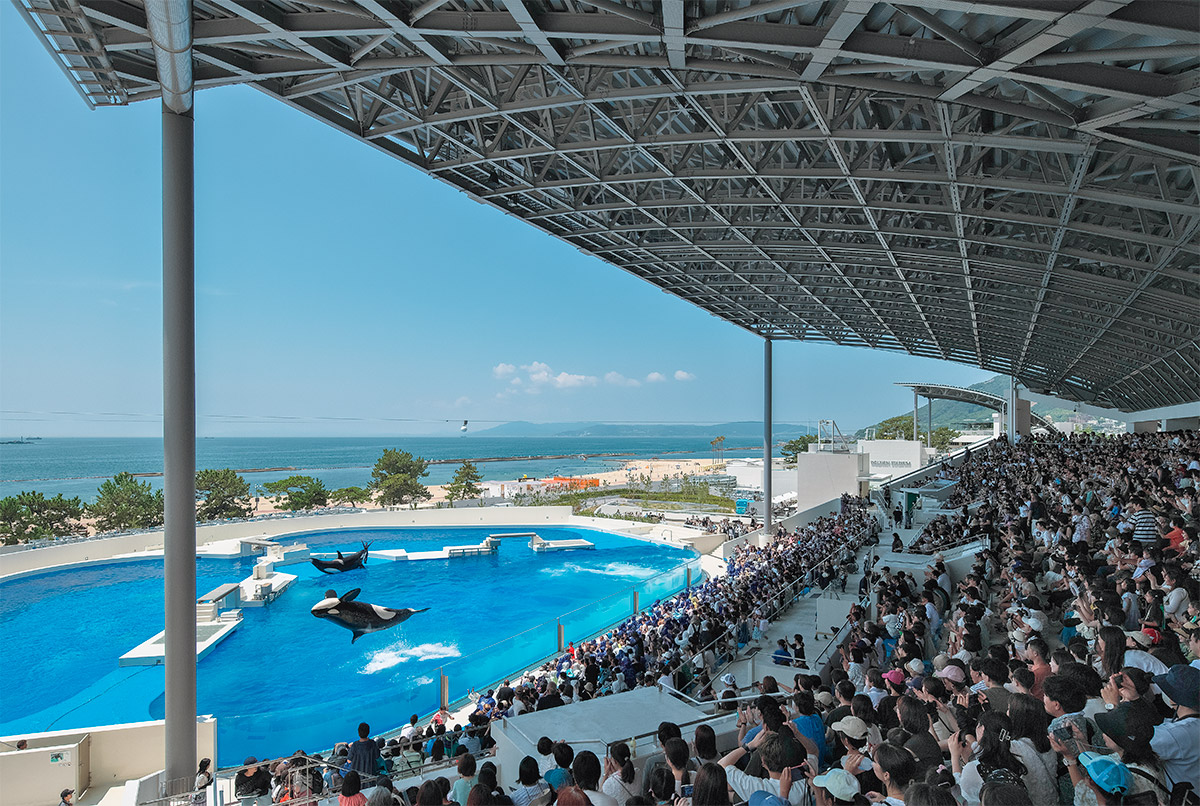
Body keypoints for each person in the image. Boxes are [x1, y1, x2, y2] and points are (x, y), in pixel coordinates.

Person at [603, 741, 638, 806]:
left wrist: (606, 774)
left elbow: (600, 796)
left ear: (615, 761)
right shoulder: (637, 772)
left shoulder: (608, 784)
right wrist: (613, 775)